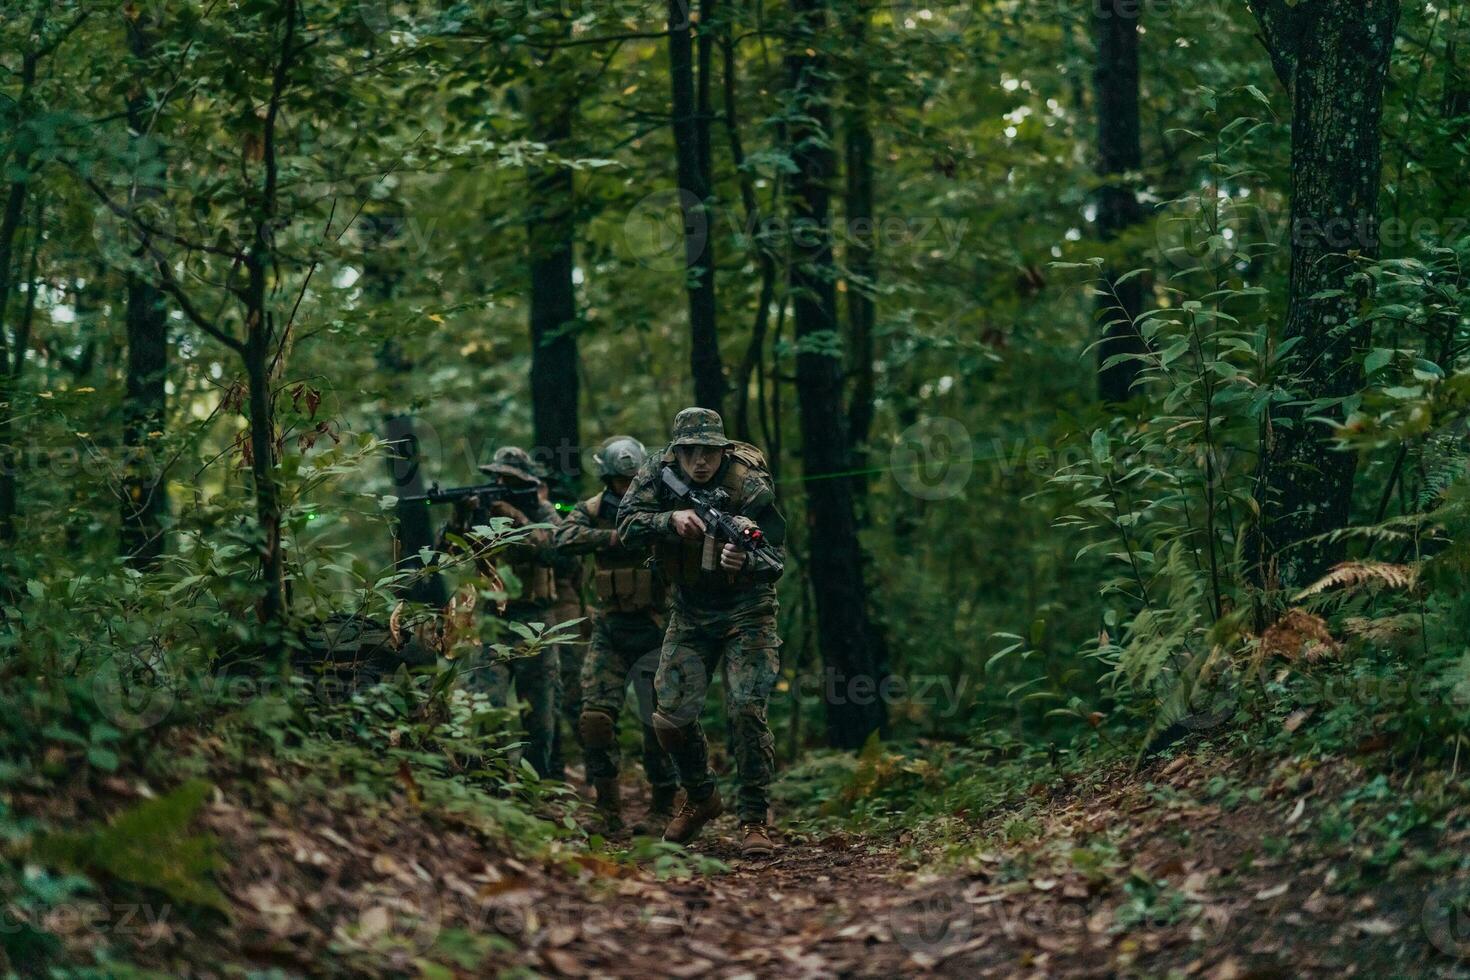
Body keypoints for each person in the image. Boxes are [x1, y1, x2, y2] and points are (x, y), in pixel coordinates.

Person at [617, 408, 786, 858]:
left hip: (747, 610)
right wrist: (667, 522)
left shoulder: (748, 483)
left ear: (722, 450)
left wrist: (745, 560)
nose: (700, 461)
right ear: (677, 451)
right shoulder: (657, 471)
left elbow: (775, 558)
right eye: (690, 452)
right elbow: (625, 525)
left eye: (708, 451)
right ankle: (701, 796)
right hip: (689, 609)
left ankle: (754, 820)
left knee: (747, 709)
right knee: (669, 716)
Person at [554, 436, 678, 833]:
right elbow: (563, 538)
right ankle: (607, 807)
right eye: (620, 481)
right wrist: (613, 536)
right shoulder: (592, 510)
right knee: (594, 718)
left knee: (658, 722)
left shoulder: (662, 503)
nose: (627, 487)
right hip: (608, 628)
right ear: (608, 479)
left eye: (633, 479)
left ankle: (663, 807)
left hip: (656, 628)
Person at [439, 446, 563, 778]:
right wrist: (459, 516)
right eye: (495, 477)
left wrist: (517, 517)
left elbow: (558, 550)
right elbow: (446, 551)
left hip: (535, 620)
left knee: (540, 714)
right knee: (486, 705)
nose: (498, 482)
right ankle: (492, 781)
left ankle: (538, 784)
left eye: (506, 478)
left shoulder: (541, 509)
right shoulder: (481, 511)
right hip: (491, 621)